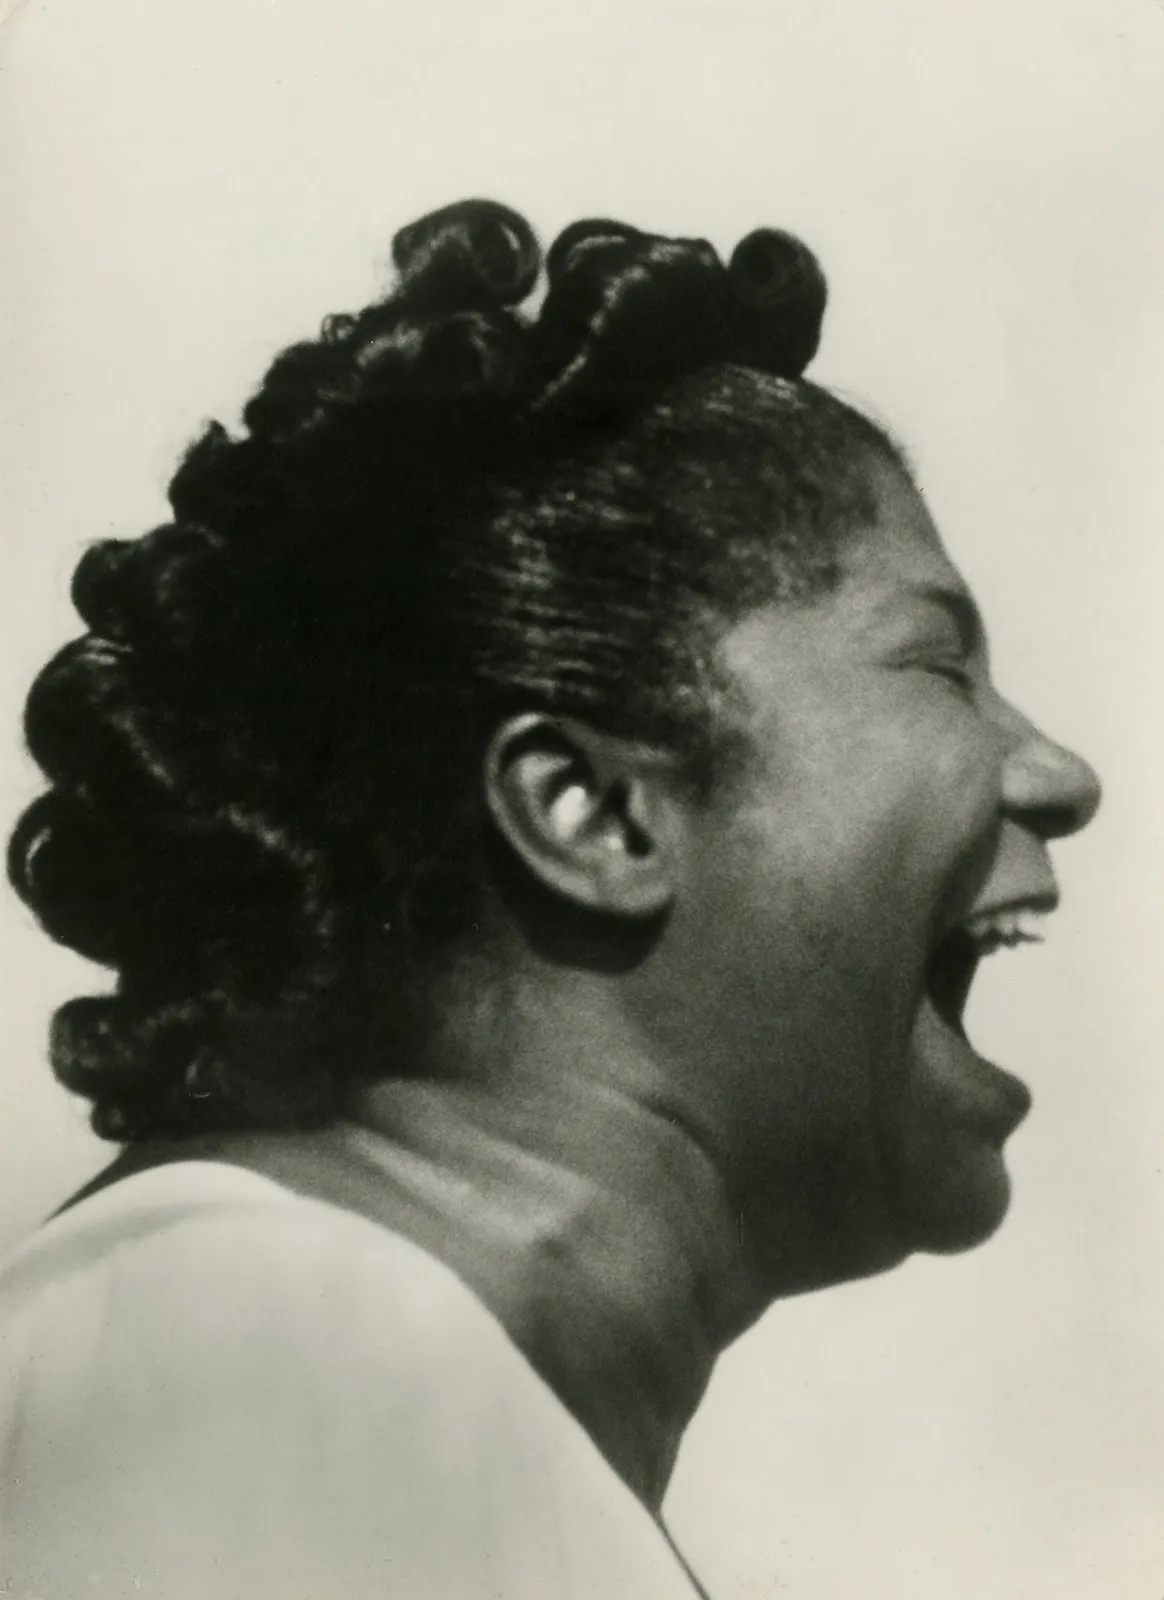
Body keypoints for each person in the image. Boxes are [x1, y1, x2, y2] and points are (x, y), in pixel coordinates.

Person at [0, 199, 1100, 1599]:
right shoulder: (269, 1350)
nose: (1059, 774)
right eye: (938, 668)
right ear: (590, 812)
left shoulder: (358, 1392)